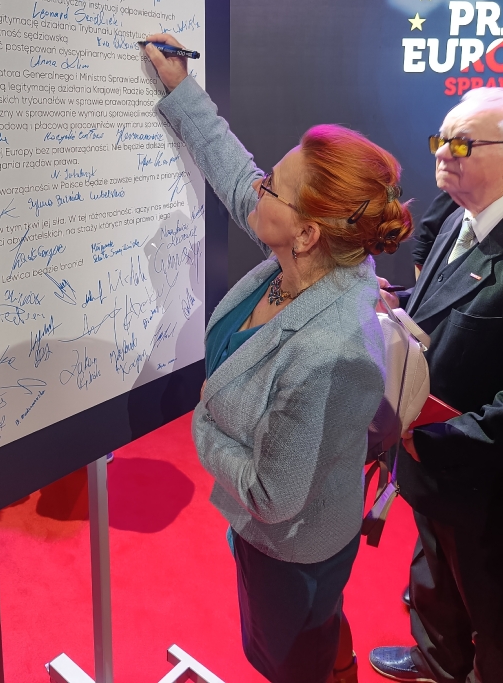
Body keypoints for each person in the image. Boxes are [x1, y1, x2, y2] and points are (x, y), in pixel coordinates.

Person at [146, 33, 413, 683]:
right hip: (287, 533)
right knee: (304, 641)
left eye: (272, 186)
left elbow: (272, 496)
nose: (256, 189)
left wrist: (204, 422)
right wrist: (182, 90)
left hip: (292, 551)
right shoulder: (311, 259)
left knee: (290, 658)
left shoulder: (328, 349)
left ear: (306, 232)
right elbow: (234, 174)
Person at [370, 87, 503, 683]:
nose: (443, 154)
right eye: (441, 140)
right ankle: (438, 662)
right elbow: (438, 308)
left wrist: (445, 439)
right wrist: (393, 302)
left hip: (482, 479)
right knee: (432, 571)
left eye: (463, 144)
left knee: (491, 605)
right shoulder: (456, 220)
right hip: (428, 462)